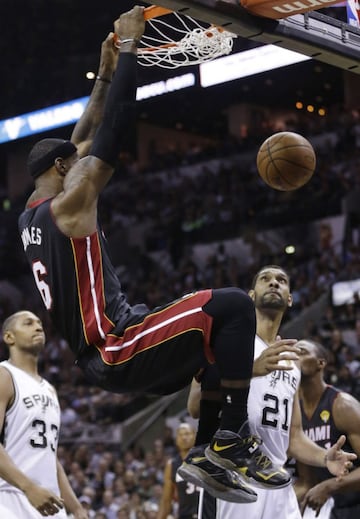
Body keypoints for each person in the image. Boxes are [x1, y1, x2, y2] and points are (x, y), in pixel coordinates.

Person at [18, 6, 292, 500]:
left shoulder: (32, 210)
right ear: (64, 169)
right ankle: (230, 437)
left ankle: (207, 452)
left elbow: (84, 131)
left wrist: (103, 71)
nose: (80, 162)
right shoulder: (71, 204)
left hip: (107, 350)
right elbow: (111, 131)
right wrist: (129, 55)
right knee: (233, 305)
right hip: (116, 345)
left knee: (217, 341)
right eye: (73, 162)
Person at [185, 265, 356, 519]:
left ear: (289, 299)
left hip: (277, 478)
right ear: (251, 295)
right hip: (233, 478)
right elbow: (195, 406)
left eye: (281, 280)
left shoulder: (291, 362)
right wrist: (249, 370)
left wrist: (324, 457)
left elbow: (294, 437)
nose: (274, 283)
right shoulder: (224, 341)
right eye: (265, 279)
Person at [0, 310, 88, 518]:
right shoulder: (4, 375)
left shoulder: (49, 389)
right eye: (28, 323)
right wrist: (29, 487)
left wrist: (76, 508)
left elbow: (50, 457)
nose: (38, 327)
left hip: (49, 501)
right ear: (9, 337)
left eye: (39, 323)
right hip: (11, 497)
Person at [295, 339, 360, 519]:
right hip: (327, 501)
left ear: (321, 363)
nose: (294, 357)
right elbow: (307, 482)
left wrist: (330, 485)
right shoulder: (295, 411)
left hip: (353, 502)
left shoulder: (343, 406)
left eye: (301, 351)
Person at [157, 423, 200, 519]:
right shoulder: (172, 464)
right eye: (180, 435)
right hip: (185, 515)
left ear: (195, 436)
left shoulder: (205, 459)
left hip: (206, 514)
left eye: (187, 434)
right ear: (176, 440)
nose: (184, 437)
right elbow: (166, 501)